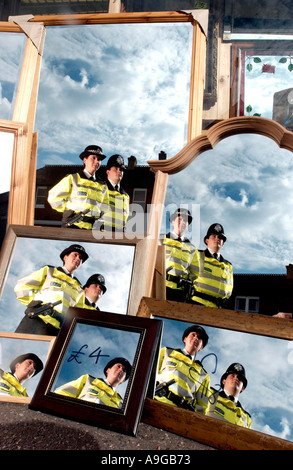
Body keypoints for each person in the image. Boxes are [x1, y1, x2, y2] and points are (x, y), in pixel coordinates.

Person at [14, 244, 89, 336]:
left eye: (81, 258)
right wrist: (35, 304)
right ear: (65, 257)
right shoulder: (49, 271)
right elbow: (22, 287)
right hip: (36, 320)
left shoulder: (79, 290)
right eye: (75, 255)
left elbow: (79, 314)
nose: (78, 259)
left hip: (58, 331)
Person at [48, 145, 109, 229]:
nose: (96, 161)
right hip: (73, 225)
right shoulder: (72, 179)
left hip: (93, 229)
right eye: (93, 158)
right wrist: (68, 210)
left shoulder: (102, 186)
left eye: (99, 159)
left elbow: (105, 207)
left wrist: (101, 220)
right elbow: (53, 198)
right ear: (85, 160)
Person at [154, 324, 210, 414]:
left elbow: (202, 407)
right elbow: (148, 374)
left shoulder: (203, 374)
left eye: (199, 338)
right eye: (193, 335)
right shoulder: (166, 352)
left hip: (180, 414)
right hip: (156, 401)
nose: (195, 338)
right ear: (185, 339)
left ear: (201, 347)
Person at [54, 357, 132, 408]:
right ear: (108, 370)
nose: (121, 370)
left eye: (124, 370)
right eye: (118, 366)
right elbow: (61, 395)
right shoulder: (88, 380)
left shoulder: (120, 405)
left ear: (123, 381)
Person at [190, 223, 233, 308]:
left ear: (223, 243)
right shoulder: (197, 255)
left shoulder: (228, 266)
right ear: (207, 240)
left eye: (220, 237)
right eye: (214, 236)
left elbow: (229, 291)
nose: (217, 239)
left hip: (217, 309)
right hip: (197, 305)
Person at [162, 208, 196, 303]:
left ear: (188, 225)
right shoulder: (160, 240)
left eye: (185, 220)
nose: (183, 222)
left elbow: (195, 273)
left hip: (179, 293)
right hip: (160, 286)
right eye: (179, 219)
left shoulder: (192, 249)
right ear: (172, 222)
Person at [207, 362, 252, 428]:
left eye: (239, 378)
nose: (236, 378)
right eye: (232, 376)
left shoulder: (246, 418)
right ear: (224, 381)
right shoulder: (209, 394)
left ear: (242, 388)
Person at [102, 154, 130, 232]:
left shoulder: (125, 195)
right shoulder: (100, 189)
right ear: (108, 171)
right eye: (116, 168)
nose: (119, 171)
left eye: (121, 169)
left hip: (120, 234)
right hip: (102, 233)